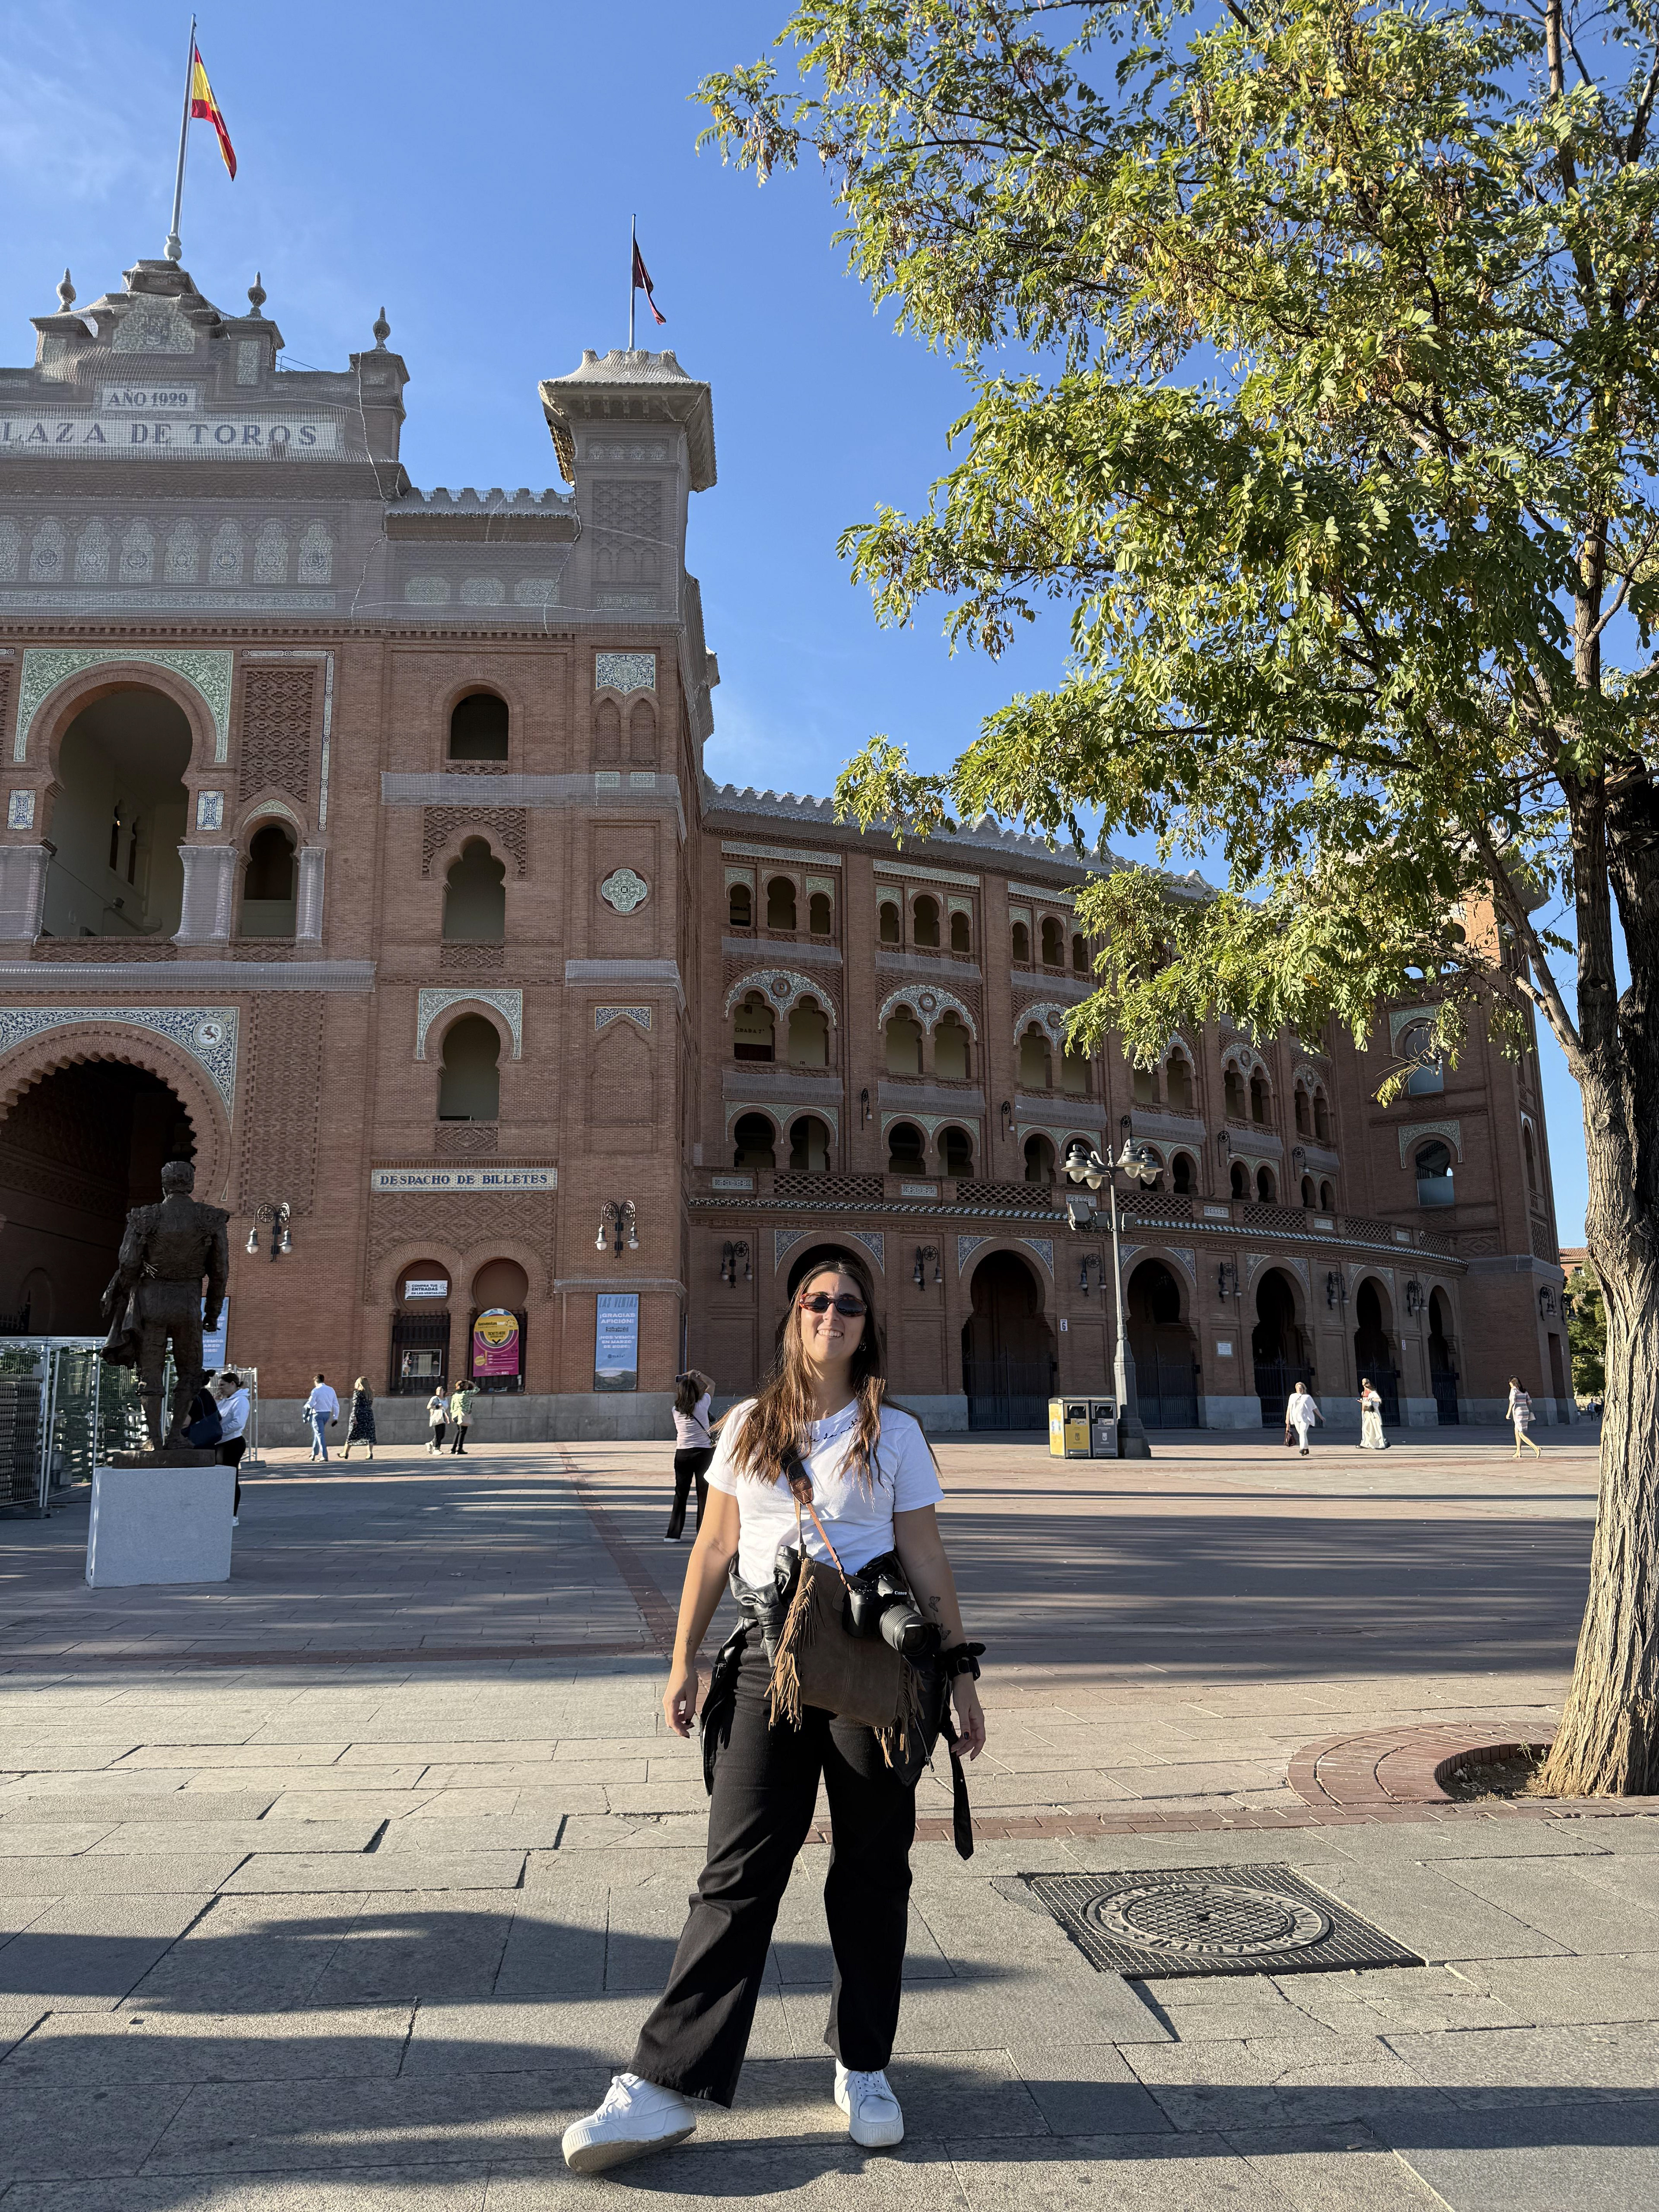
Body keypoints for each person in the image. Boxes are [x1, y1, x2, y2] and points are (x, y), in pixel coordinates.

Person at [561, 1253, 986, 2176]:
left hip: (873, 1670)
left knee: (873, 1872)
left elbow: (926, 1554)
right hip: (763, 1662)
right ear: (792, 1316)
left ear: (867, 1325)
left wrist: (959, 1673)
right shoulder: (749, 1425)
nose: (832, 1314)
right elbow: (715, 1543)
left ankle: (864, 2063)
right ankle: (667, 2079)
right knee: (737, 1869)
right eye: (816, 1301)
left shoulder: (896, 1432)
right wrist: (681, 1660)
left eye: (849, 1304)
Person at [664, 1368, 717, 1542]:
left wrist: (684, 1380)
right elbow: (712, 1384)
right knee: (704, 1494)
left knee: (681, 1493)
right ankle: (702, 1533)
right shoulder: (703, 1406)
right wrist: (698, 1375)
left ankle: (673, 1534)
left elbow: (684, 1397)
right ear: (696, 1392)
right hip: (704, 1454)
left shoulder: (675, 1410)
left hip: (683, 1455)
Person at [214, 1370, 250, 1521]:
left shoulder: (241, 1400)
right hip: (221, 1442)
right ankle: (223, 1512)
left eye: (223, 1385)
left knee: (230, 1478)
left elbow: (238, 1423)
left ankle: (233, 1515)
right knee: (222, 1479)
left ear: (233, 1384)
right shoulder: (225, 1400)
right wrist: (216, 1401)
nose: (220, 1388)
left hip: (232, 1442)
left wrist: (220, 1432)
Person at [305, 1373, 338, 1462]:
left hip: (317, 1415)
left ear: (316, 1381)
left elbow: (311, 1404)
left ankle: (324, 1455)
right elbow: (336, 1404)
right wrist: (336, 1417)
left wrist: (306, 1407)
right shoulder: (331, 1390)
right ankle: (314, 1454)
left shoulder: (316, 1390)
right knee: (318, 1433)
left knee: (320, 1434)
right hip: (327, 1414)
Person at [341, 1378, 377, 1462]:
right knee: (369, 1435)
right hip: (369, 1415)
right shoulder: (370, 1393)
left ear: (359, 1384)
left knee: (352, 1434)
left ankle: (345, 1452)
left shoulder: (357, 1393)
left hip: (359, 1415)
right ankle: (370, 1453)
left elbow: (356, 1406)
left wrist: (354, 1416)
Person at [1285, 1381, 1322, 1456]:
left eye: (1301, 1387)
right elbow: (1289, 1408)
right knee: (1302, 1434)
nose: (1300, 1389)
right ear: (1296, 1389)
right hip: (1296, 1418)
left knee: (1303, 1432)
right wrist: (1287, 1420)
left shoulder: (1308, 1397)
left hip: (1306, 1419)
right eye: (1298, 1387)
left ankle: (1302, 1448)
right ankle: (1306, 1448)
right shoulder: (1293, 1396)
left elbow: (1314, 1408)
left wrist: (1321, 1416)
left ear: (1304, 1389)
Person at [1508, 1377, 1541, 1458]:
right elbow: (1530, 1402)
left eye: (1511, 1384)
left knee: (1521, 1433)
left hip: (1518, 1413)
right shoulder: (1524, 1391)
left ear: (1513, 1384)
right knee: (1517, 1431)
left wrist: (1508, 1413)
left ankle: (1536, 1448)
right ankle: (1518, 1451)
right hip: (1525, 1412)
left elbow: (1512, 1402)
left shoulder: (1514, 1391)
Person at [448, 1377, 477, 1453]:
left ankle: (453, 1449)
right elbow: (477, 1390)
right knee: (463, 1432)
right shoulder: (466, 1393)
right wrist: (472, 1383)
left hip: (455, 1415)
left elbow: (452, 1406)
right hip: (463, 1414)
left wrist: (452, 1415)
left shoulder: (455, 1395)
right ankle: (460, 1449)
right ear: (465, 1387)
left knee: (458, 1431)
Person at [1358, 1377, 1388, 1450]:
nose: (1365, 1385)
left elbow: (1379, 1400)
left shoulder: (1373, 1393)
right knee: (1365, 1428)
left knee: (1377, 1429)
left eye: (1366, 1383)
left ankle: (1382, 1444)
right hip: (1367, 1413)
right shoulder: (1363, 1393)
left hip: (1374, 1413)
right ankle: (1366, 1443)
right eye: (1363, 1384)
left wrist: (1371, 1399)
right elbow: (1365, 1403)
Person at [426, 1384, 448, 1455]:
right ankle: (436, 1449)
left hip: (443, 1417)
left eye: (440, 1390)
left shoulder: (445, 1399)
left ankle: (431, 1443)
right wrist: (437, 1406)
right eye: (437, 1390)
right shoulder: (435, 1398)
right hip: (436, 1417)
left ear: (444, 1392)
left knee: (442, 1435)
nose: (439, 1392)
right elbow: (429, 1407)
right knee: (438, 1434)